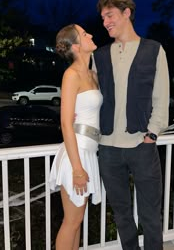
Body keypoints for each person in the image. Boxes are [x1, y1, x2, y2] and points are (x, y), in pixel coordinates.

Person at [93, 0, 170, 250]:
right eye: (103, 17)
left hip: (141, 145)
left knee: (150, 214)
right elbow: (93, 97)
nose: (105, 22)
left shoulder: (154, 50)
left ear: (127, 13)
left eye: (110, 15)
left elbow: (161, 97)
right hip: (108, 148)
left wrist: (152, 134)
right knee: (122, 214)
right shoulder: (100, 56)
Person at [49, 24, 102, 250]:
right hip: (76, 155)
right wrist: (78, 169)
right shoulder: (70, 75)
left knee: (77, 221)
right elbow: (65, 123)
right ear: (77, 46)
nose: (90, 34)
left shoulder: (92, 74)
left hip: (89, 151)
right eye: (84, 34)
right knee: (71, 222)